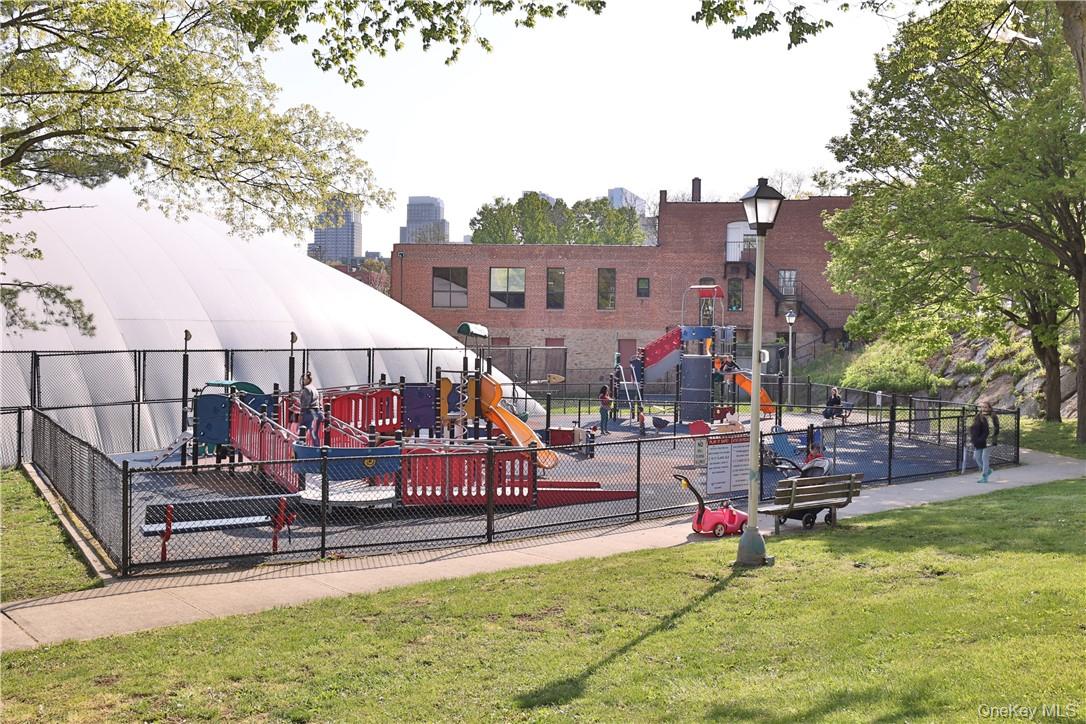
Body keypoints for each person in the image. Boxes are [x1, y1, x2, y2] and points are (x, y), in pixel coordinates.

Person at [969, 401, 1000, 483]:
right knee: (976, 457)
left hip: (988, 440)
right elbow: (974, 428)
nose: (983, 409)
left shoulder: (992, 417)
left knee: (984, 457)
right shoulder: (978, 416)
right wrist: (974, 438)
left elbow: (994, 430)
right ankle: (988, 470)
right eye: (982, 407)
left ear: (990, 408)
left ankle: (984, 477)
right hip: (979, 441)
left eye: (985, 407)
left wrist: (986, 438)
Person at [299, 371, 324, 446]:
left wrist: (301, 413)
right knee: (314, 433)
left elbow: (305, 403)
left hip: (309, 413)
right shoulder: (315, 389)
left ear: (308, 380)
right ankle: (316, 448)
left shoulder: (306, 389)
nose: (303, 381)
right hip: (317, 412)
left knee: (302, 429)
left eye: (304, 379)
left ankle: (301, 446)